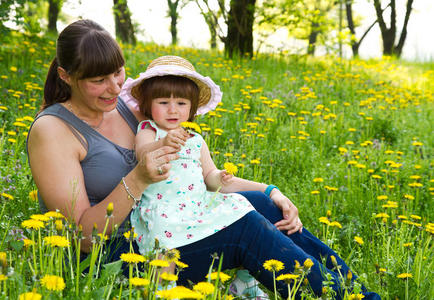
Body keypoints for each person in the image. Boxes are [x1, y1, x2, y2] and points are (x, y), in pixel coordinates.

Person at [26, 19, 379, 299]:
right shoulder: (53, 131)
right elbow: (78, 239)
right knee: (245, 228)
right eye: (98, 80)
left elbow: (191, 171)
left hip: (165, 221)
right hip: (119, 258)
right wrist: (139, 177)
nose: (115, 87)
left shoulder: (122, 104)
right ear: (65, 76)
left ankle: (357, 293)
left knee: (259, 206)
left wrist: (271, 189)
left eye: (118, 73)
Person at [121, 55, 380, 300]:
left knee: (242, 207)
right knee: (164, 255)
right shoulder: (148, 130)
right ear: (148, 104)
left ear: (192, 108)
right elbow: (142, 152)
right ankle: (164, 290)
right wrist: (164, 142)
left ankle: (246, 281)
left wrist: (221, 177)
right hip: (166, 215)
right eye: (163, 103)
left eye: (181, 103)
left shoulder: (195, 139)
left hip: (196, 210)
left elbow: (209, 177)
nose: (172, 110)